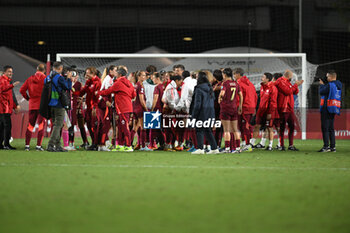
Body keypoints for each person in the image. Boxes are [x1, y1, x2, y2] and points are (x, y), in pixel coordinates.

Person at [98, 68, 136, 152]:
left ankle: (128, 146)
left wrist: (98, 92)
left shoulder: (118, 83)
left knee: (125, 127)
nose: (115, 74)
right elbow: (134, 95)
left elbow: (108, 91)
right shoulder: (129, 83)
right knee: (121, 126)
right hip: (127, 107)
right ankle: (121, 145)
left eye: (116, 73)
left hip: (123, 108)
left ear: (119, 74)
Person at [45, 62, 72, 152]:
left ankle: (58, 145)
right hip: (58, 103)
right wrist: (68, 78)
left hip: (50, 104)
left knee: (56, 125)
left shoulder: (48, 77)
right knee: (58, 125)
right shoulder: (59, 78)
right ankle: (51, 144)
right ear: (60, 68)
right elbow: (68, 87)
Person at [274, 69, 303, 151]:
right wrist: (295, 85)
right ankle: (281, 145)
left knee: (292, 126)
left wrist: (296, 85)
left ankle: (291, 145)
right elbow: (287, 91)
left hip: (289, 108)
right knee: (282, 127)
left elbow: (295, 92)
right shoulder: (280, 81)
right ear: (289, 75)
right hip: (283, 108)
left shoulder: (287, 82)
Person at [20, 63, 46, 151]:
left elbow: (21, 90)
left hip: (32, 105)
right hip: (42, 105)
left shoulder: (30, 79)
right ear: (44, 71)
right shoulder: (45, 79)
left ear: (36, 69)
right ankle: (38, 146)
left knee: (30, 125)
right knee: (41, 125)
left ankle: (27, 146)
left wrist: (28, 98)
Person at [190, 72, 218, 154]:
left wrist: (193, 116)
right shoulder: (210, 88)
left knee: (199, 130)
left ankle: (200, 148)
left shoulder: (198, 88)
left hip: (201, 113)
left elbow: (197, 104)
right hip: (210, 112)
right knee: (207, 130)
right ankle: (214, 148)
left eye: (197, 76)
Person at [249, 73, 278, 151]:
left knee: (269, 128)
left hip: (268, 112)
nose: (261, 78)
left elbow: (273, 102)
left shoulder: (273, 88)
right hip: (261, 111)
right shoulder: (262, 87)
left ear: (268, 79)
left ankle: (270, 145)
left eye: (263, 77)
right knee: (257, 126)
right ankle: (252, 143)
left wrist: (270, 113)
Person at [218, 68, 243, 153]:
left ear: (224, 74)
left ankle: (227, 148)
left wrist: (219, 99)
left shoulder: (225, 84)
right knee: (235, 129)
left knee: (227, 130)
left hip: (226, 108)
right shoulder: (236, 83)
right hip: (234, 108)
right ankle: (238, 148)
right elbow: (241, 95)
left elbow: (222, 94)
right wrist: (240, 106)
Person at [234, 68, 257, 151]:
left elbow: (239, 96)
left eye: (234, 74)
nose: (234, 76)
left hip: (244, 107)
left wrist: (238, 107)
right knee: (245, 126)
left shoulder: (239, 83)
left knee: (244, 126)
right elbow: (255, 96)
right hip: (250, 107)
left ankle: (248, 144)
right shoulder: (250, 83)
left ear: (238, 74)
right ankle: (244, 142)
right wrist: (254, 107)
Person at [318, 70, 342, 152]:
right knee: (331, 128)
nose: (326, 78)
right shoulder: (339, 84)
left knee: (325, 128)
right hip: (334, 107)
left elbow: (321, 92)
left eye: (327, 76)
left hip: (327, 107)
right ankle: (333, 147)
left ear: (331, 77)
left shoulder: (330, 85)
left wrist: (321, 85)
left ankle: (326, 147)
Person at [79, 66, 101, 151]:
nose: (86, 74)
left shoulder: (98, 82)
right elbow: (82, 92)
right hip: (88, 108)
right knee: (88, 125)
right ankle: (93, 142)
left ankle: (96, 144)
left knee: (94, 126)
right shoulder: (88, 82)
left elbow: (98, 96)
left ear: (93, 73)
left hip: (94, 108)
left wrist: (95, 107)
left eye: (88, 73)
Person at [0, 65, 20, 150]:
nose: (11, 73)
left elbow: (10, 96)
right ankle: (6, 144)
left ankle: (1, 144)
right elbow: (3, 89)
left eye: (11, 72)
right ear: (4, 72)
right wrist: (12, 86)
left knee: (2, 127)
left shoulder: (8, 81)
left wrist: (15, 106)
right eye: (9, 71)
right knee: (7, 127)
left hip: (6, 107)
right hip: (3, 108)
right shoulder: (2, 80)